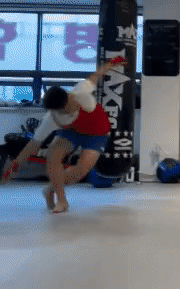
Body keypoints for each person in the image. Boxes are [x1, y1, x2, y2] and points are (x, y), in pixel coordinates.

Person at [2, 56, 126, 213]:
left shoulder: (81, 91)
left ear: (69, 96)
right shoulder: (52, 118)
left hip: (97, 132)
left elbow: (96, 75)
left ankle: (51, 189)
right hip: (71, 131)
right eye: (65, 110)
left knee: (82, 169)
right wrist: (13, 167)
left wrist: (111, 63)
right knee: (53, 157)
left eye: (71, 104)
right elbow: (32, 146)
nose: (71, 108)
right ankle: (62, 200)